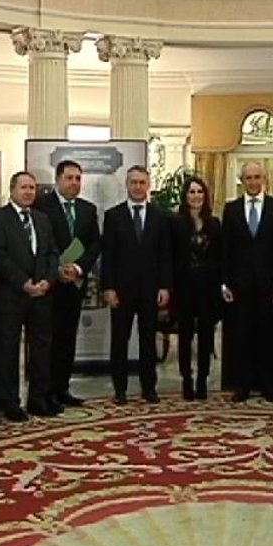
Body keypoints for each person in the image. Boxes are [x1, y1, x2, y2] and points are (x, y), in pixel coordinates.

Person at [100, 165, 173, 404]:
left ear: (148, 185)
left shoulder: (160, 216)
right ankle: (120, 390)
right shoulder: (114, 216)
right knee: (119, 340)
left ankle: (149, 388)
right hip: (121, 290)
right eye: (134, 182)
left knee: (148, 340)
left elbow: (165, 254)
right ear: (127, 184)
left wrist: (165, 286)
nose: (138, 187)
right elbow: (108, 255)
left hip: (151, 289)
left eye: (142, 182)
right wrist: (108, 288)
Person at [0, 171, 60, 419]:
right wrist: (23, 283)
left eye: (32, 188)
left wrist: (47, 281)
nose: (29, 192)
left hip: (42, 294)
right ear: (12, 190)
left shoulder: (42, 219)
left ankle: (38, 399)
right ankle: (10, 402)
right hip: (12, 295)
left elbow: (52, 253)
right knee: (8, 350)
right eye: (24, 187)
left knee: (41, 348)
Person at [33, 160, 101, 409]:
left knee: (67, 339)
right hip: (49, 284)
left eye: (78, 178)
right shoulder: (41, 206)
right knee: (47, 341)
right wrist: (56, 270)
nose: (74, 183)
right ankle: (45, 391)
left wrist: (78, 268)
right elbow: (38, 245)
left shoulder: (88, 209)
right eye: (69, 178)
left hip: (74, 283)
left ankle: (62, 388)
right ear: (58, 179)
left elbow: (95, 243)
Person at [221, 161, 273, 402]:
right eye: (248, 178)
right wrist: (224, 283)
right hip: (239, 287)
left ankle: (268, 385)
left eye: (257, 177)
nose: (252, 182)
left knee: (268, 337)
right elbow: (225, 249)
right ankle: (243, 386)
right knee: (242, 337)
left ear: (264, 179)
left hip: (269, 286)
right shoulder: (231, 209)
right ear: (242, 181)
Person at [171, 175, 222, 401]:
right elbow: (171, 255)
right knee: (185, 335)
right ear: (185, 196)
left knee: (206, 335)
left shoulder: (214, 223)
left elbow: (221, 256)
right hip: (184, 287)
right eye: (191, 192)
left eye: (200, 191)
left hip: (208, 288)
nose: (196, 196)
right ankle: (187, 379)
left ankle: (202, 379)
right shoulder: (175, 223)